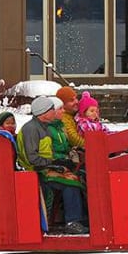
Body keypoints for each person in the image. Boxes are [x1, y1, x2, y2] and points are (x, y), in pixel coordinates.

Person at [17, 95, 87, 235]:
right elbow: (32, 158)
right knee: (70, 183)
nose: (54, 113)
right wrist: (54, 163)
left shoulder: (44, 127)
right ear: (43, 113)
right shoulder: (31, 129)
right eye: (51, 110)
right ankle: (72, 221)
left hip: (46, 167)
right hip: (37, 171)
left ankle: (81, 218)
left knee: (79, 177)